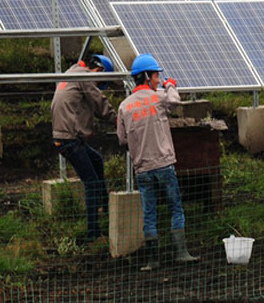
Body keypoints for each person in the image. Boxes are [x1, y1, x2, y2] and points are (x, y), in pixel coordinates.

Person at [116, 53, 199, 271]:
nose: (157, 80)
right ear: (145, 76)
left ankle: (153, 260)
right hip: (163, 165)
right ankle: (181, 253)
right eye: (155, 76)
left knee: (149, 213)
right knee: (175, 208)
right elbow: (175, 100)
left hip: (142, 169)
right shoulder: (160, 97)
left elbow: (122, 139)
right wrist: (170, 85)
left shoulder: (124, 106)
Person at [51, 53, 116, 243]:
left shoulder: (72, 73)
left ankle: (105, 205)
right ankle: (93, 233)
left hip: (65, 135)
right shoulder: (85, 76)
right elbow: (99, 103)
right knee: (91, 183)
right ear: (100, 71)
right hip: (68, 138)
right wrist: (117, 120)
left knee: (96, 159)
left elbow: (81, 106)